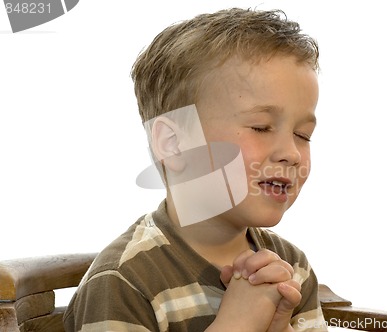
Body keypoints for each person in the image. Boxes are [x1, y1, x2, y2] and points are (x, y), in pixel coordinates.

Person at [63, 7, 327, 332]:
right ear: (173, 144)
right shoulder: (124, 282)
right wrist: (236, 324)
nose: (291, 153)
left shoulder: (292, 268)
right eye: (261, 127)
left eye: (303, 135)